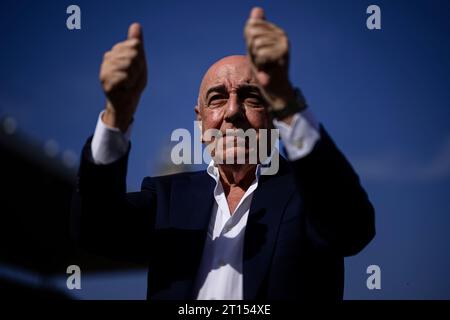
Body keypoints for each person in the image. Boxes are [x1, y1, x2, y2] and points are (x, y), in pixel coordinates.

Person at [71, 7, 375, 300]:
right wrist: (117, 113)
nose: (232, 111)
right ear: (200, 122)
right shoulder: (166, 198)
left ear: (272, 116)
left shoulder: (310, 195)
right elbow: (96, 229)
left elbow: (352, 229)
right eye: (217, 99)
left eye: (251, 98)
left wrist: (284, 96)